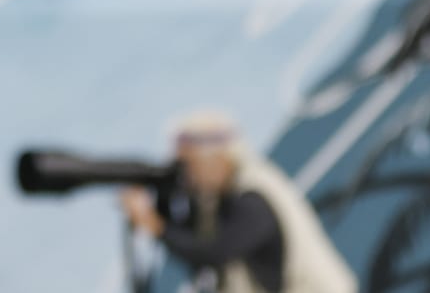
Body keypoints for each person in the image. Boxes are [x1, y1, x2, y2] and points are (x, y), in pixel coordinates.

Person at [120, 111, 357, 293]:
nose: (187, 176)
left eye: (189, 165)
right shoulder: (226, 196)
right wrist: (162, 205)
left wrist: (153, 224)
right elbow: (193, 242)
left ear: (216, 158)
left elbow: (214, 251)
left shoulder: (254, 198)